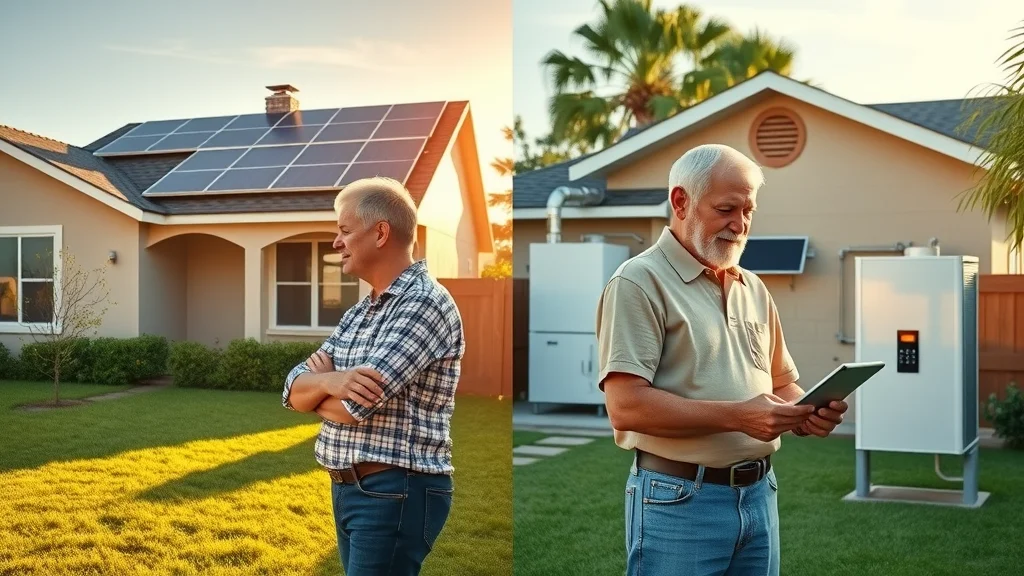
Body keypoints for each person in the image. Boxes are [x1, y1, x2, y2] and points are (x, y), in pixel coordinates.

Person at [596, 144, 848, 576]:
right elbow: (626, 408)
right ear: (681, 201)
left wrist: (806, 409)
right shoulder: (637, 282)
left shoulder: (753, 287)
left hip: (759, 493)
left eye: (749, 210)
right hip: (678, 499)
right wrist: (739, 416)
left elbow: (780, 381)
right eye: (727, 208)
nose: (741, 224)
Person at [281, 176, 465, 576]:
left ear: (380, 233)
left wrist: (328, 389)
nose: (336, 242)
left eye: (345, 231)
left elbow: (352, 408)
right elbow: (293, 391)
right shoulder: (360, 313)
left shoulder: (423, 304)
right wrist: (330, 381)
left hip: (395, 490)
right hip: (351, 489)